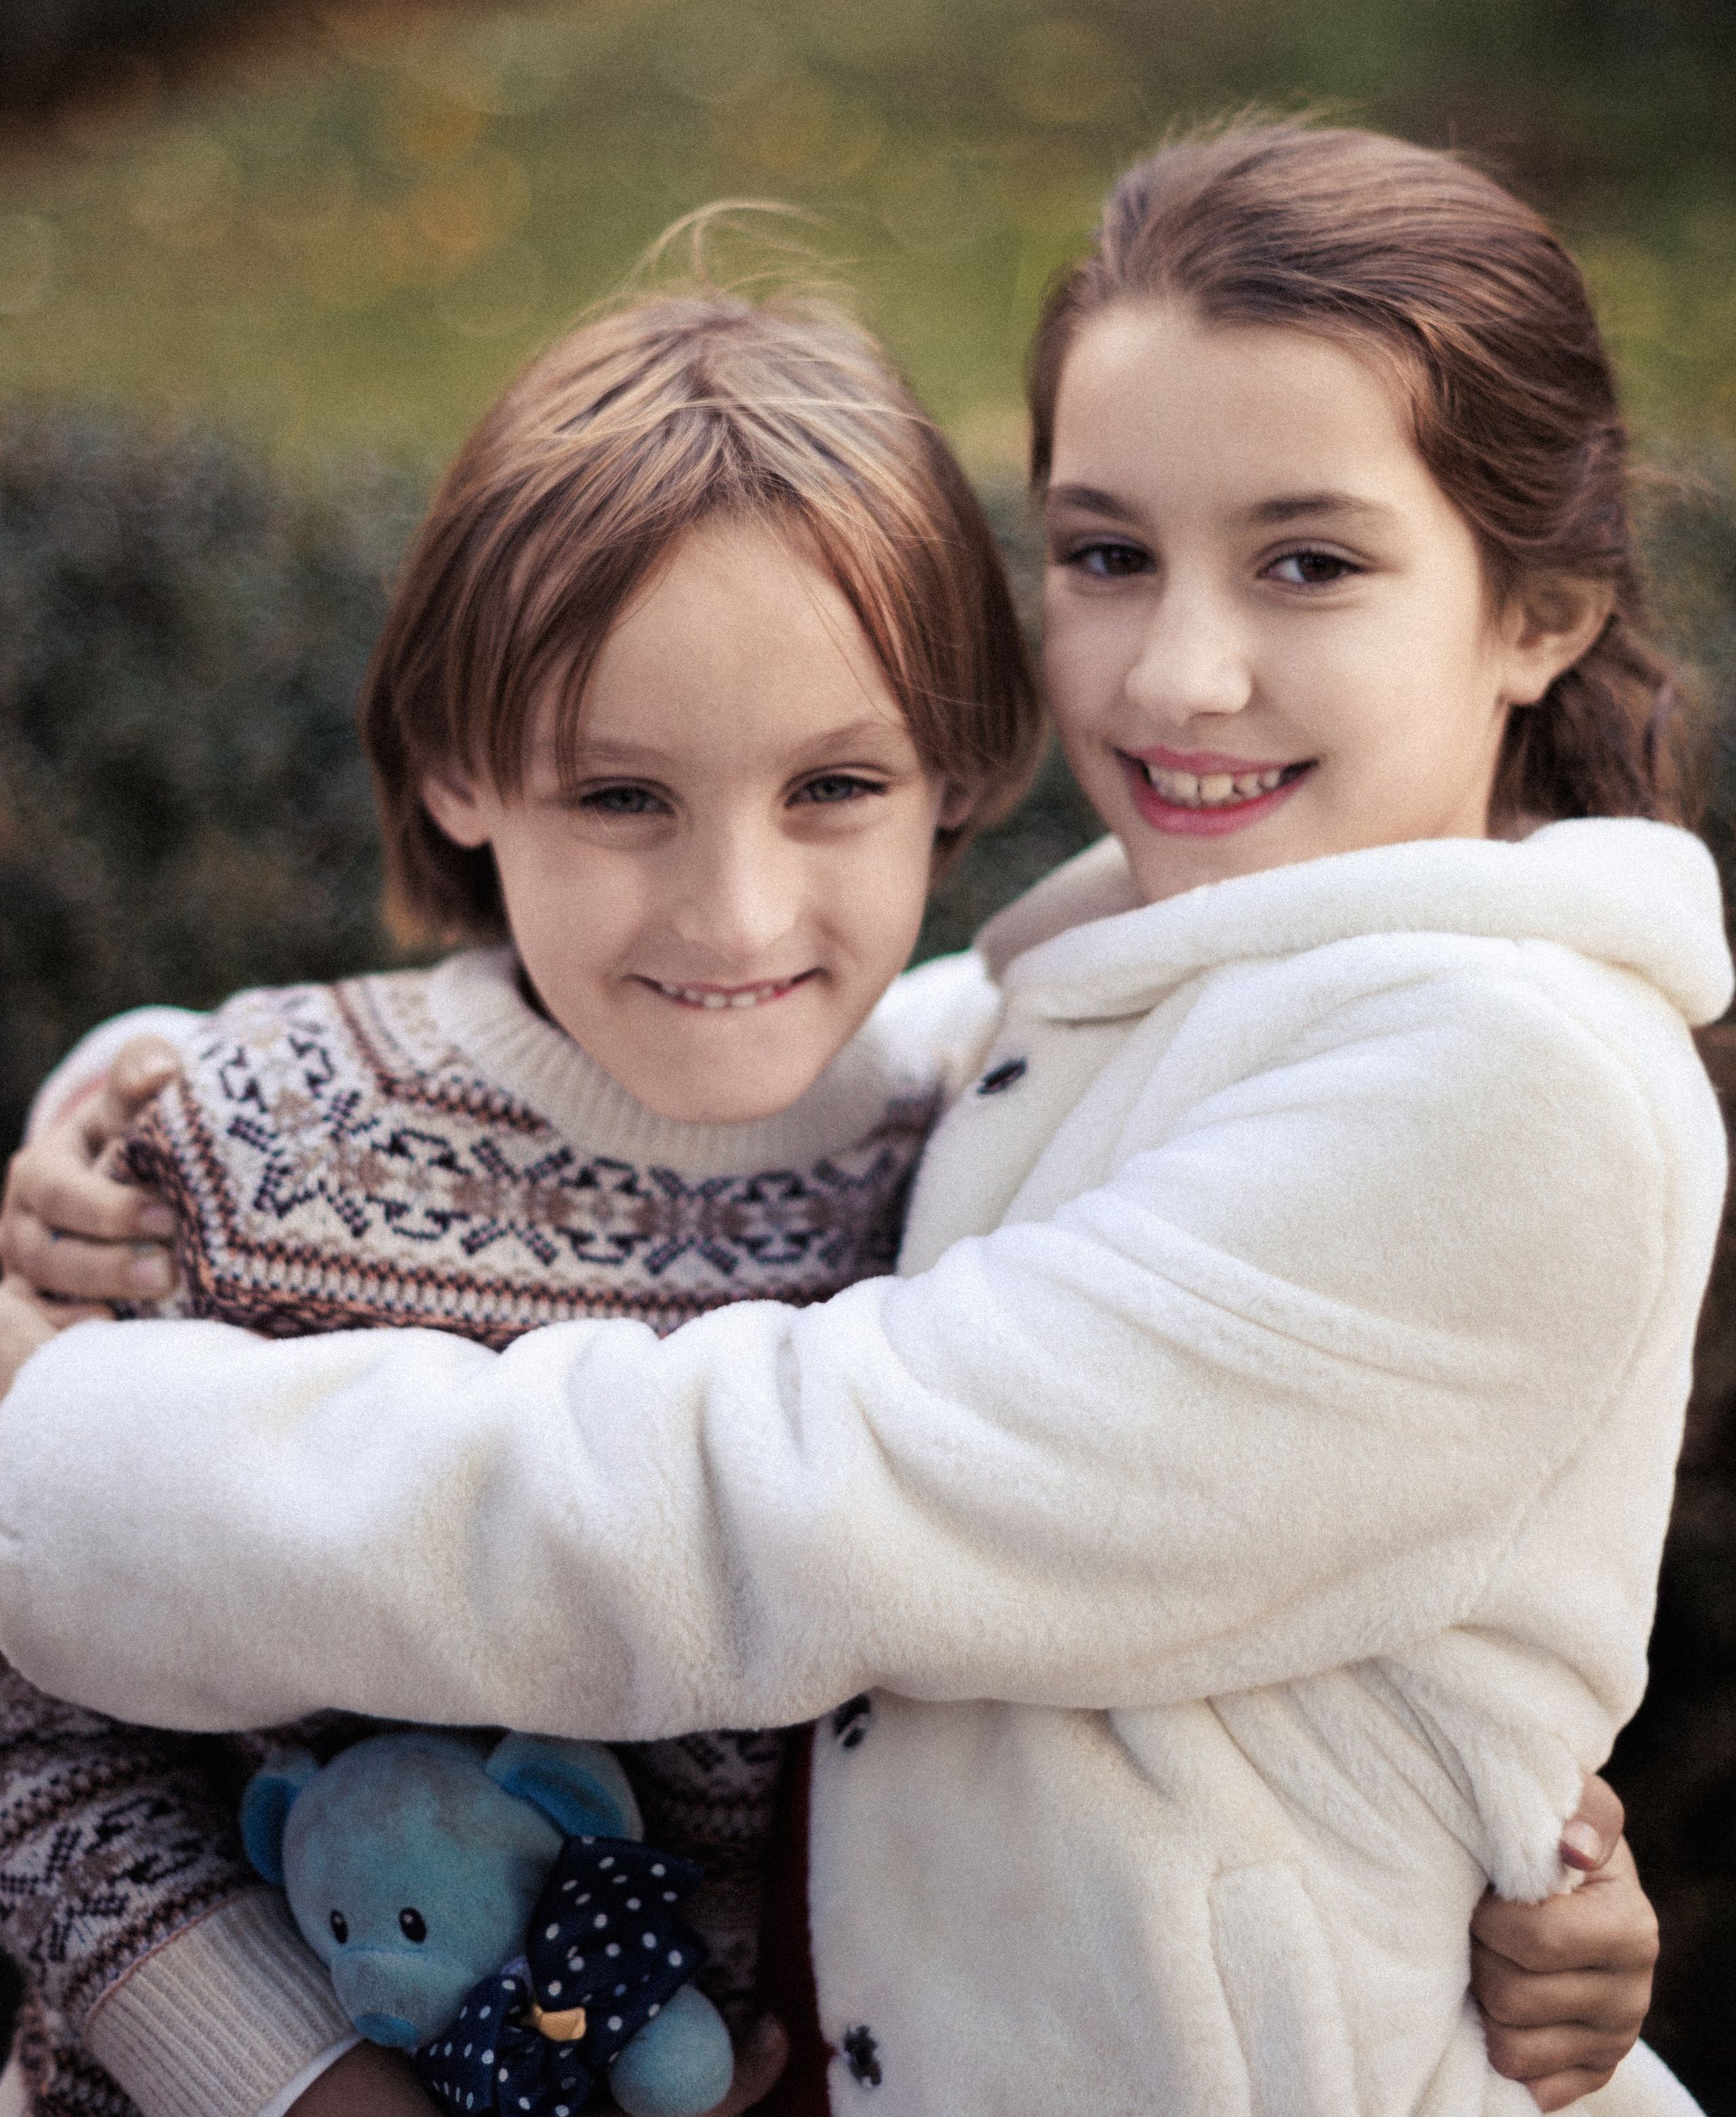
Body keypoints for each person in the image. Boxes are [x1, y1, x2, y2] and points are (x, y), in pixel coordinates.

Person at [0, 123, 1711, 2114]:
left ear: (1542, 606)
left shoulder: (1509, 1085)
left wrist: (48, 1441)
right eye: (1106, 553)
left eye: (1309, 562)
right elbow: (728, 1062)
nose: (1180, 670)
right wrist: (150, 1099)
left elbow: (785, 1501)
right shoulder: (1102, 1002)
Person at [0, 283, 1044, 2117]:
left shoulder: (979, 1168)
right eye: (623, 795)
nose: (734, 912)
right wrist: (304, 2082)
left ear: (958, 769)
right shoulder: (250, 1140)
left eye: (833, 785)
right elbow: (38, 1722)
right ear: (460, 770)